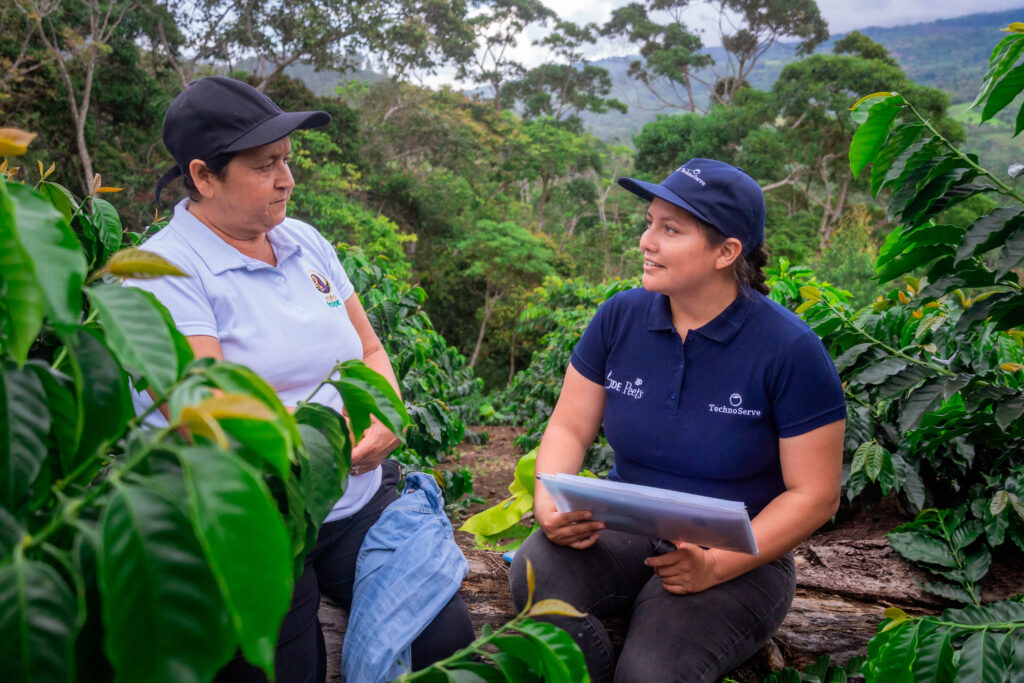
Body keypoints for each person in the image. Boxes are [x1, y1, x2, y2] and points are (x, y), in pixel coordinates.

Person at [130, 76, 474, 683]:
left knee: (438, 639)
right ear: (205, 176)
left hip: (353, 502)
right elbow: (210, 420)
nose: (287, 179)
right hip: (253, 515)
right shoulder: (166, 271)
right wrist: (331, 447)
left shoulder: (303, 241)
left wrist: (388, 413)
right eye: (265, 166)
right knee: (284, 667)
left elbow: (370, 350)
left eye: (286, 161)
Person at [509, 159, 847, 682]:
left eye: (670, 229)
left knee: (651, 673)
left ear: (726, 252)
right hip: (628, 520)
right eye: (649, 223)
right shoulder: (620, 317)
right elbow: (569, 428)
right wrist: (549, 501)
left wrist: (715, 566)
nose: (647, 241)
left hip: (742, 549)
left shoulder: (790, 350)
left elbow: (816, 495)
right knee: (535, 576)